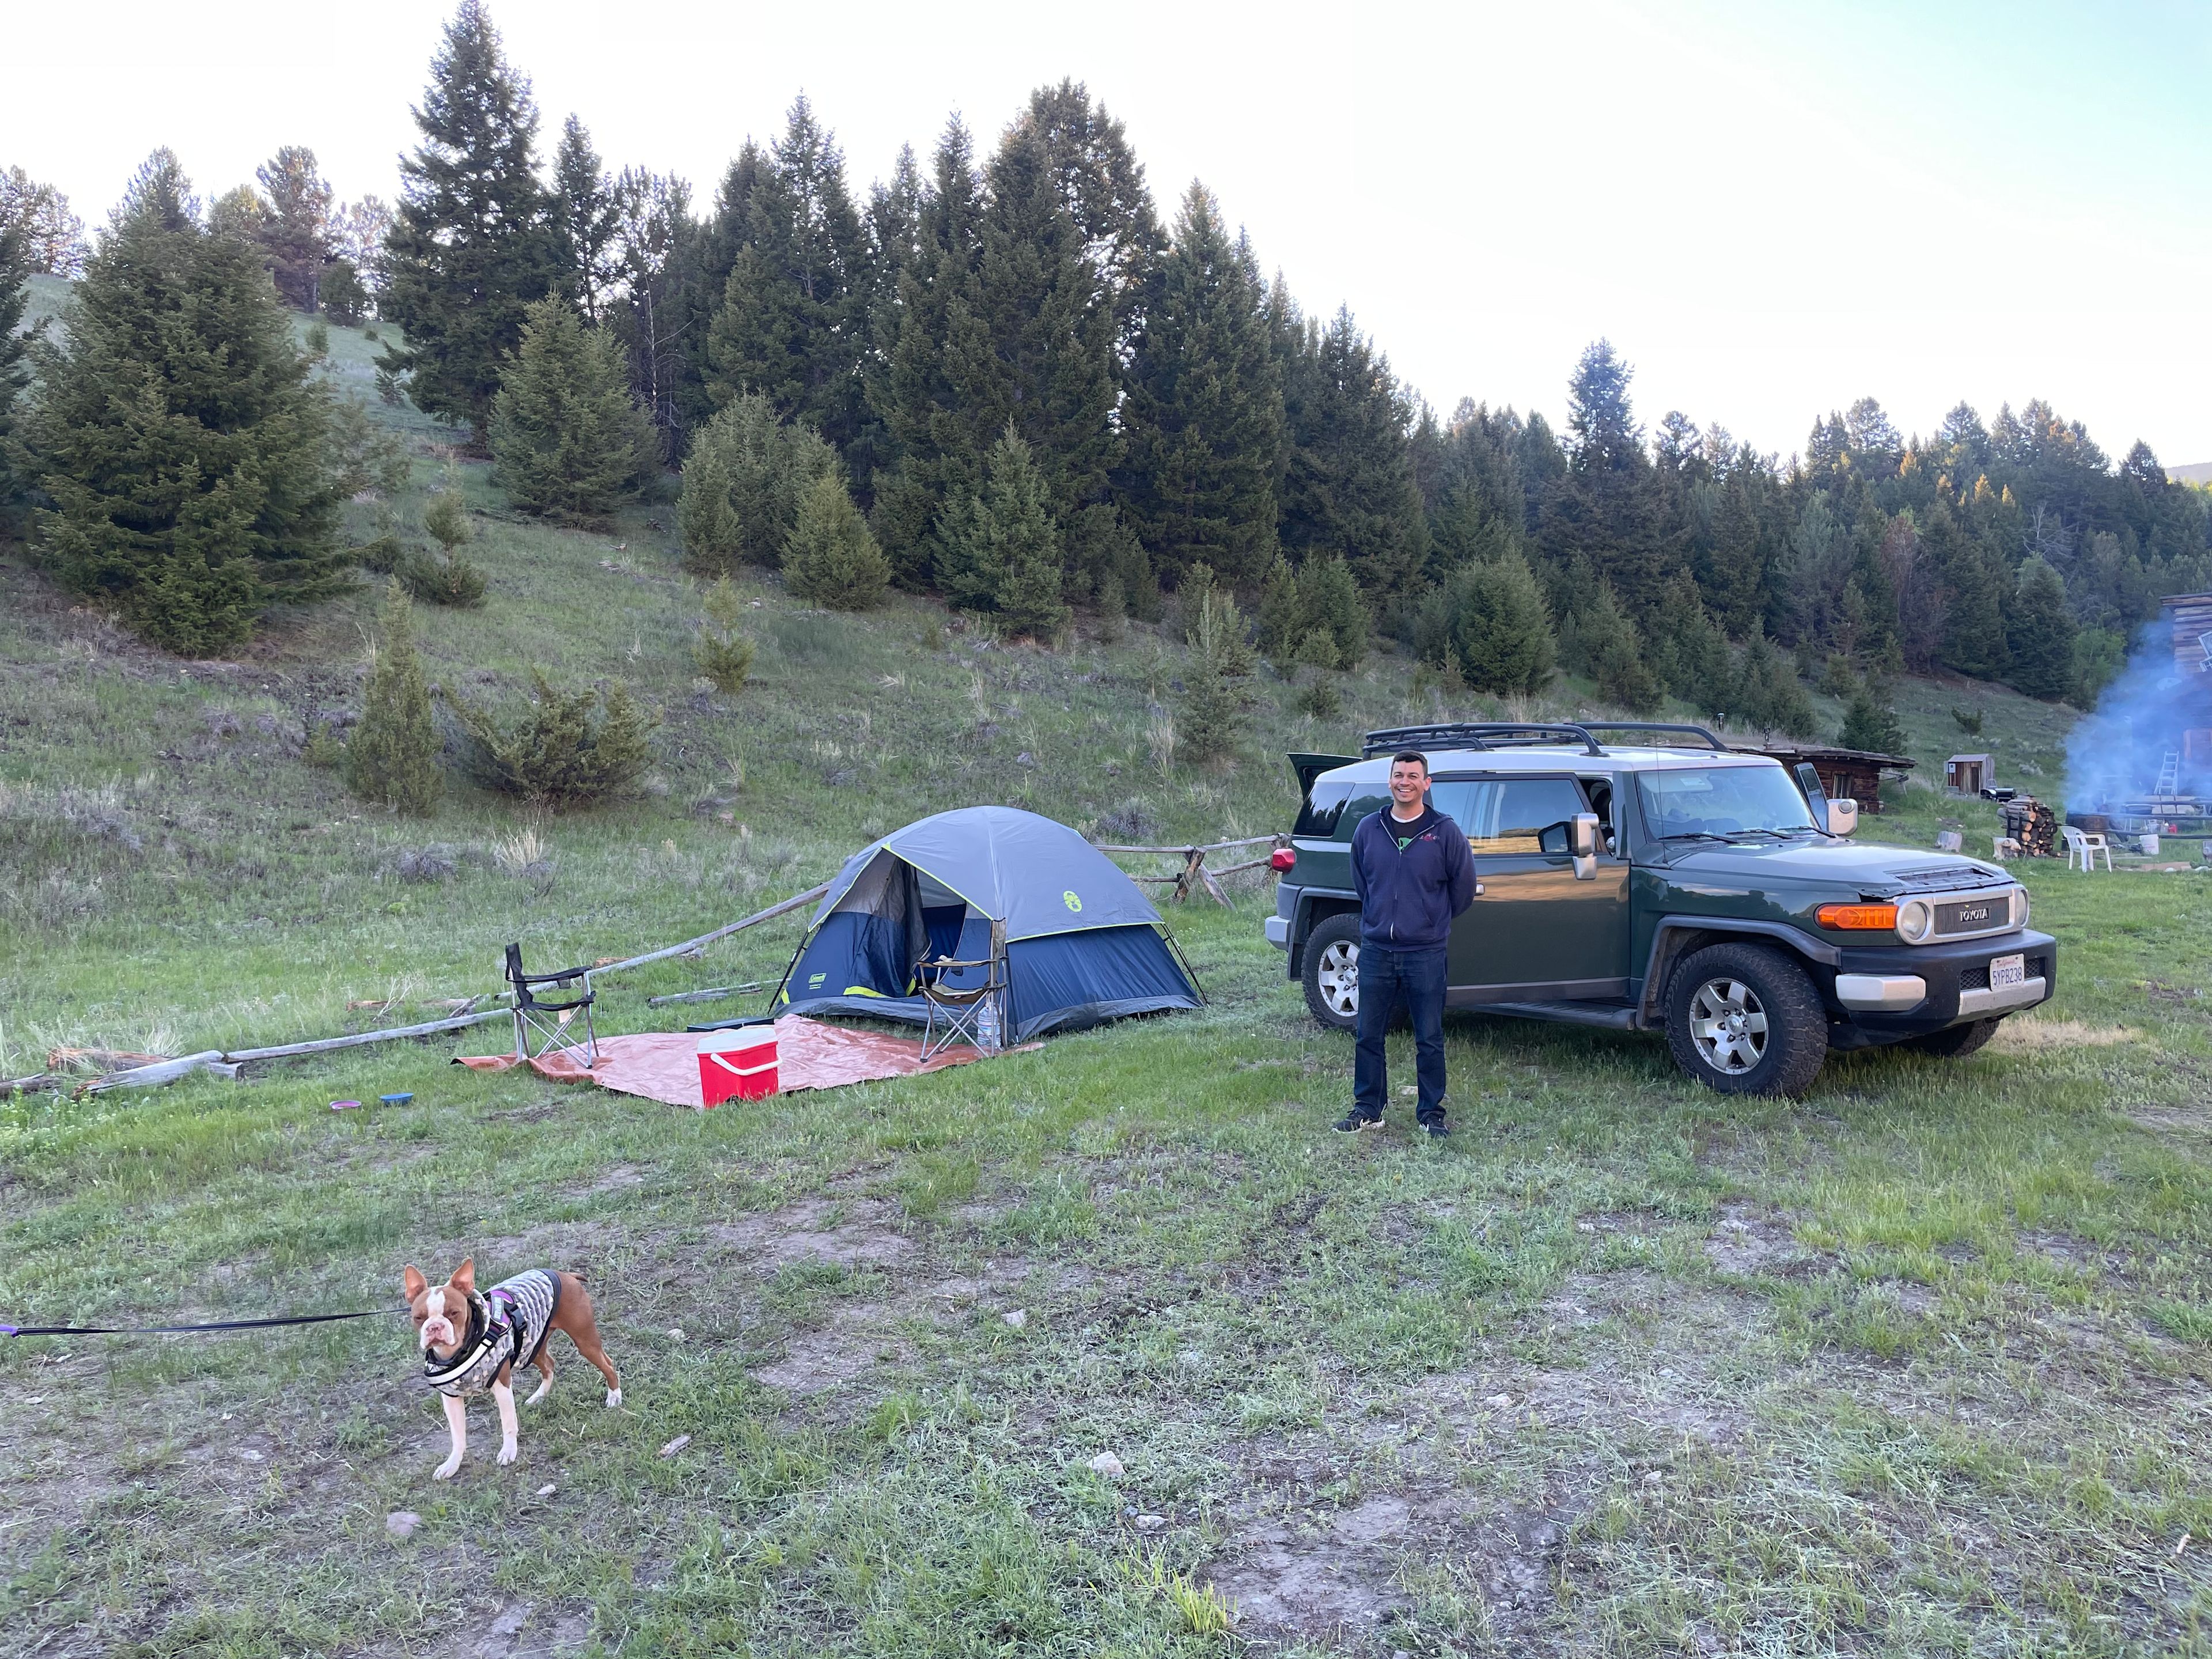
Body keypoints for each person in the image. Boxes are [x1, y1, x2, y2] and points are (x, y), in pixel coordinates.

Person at [1338, 750, 1476, 1138]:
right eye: (1399, 775)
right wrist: (1381, 920)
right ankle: (1368, 1108)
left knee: (1428, 1037)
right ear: (1390, 781)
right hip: (1378, 949)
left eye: (1413, 776)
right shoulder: (1369, 828)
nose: (1405, 782)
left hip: (1425, 952)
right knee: (1368, 1034)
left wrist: (1432, 922)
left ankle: (1431, 1115)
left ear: (1426, 784)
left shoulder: (1444, 831)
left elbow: (1463, 889)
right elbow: (1362, 881)